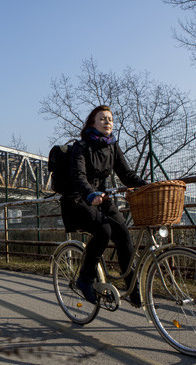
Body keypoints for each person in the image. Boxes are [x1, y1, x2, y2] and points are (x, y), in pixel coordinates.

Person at [59, 105, 148, 307]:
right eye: (103, 119)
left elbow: (126, 174)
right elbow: (78, 176)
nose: (108, 122)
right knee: (103, 230)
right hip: (78, 198)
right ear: (93, 123)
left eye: (110, 119)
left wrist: (146, 185)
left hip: (102, 198)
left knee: (124, 235)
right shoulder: (81, 147)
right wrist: (90, 193)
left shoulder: (112, 146)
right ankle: (85, 279)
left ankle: (131, 286)